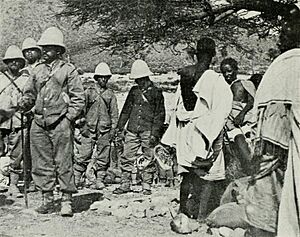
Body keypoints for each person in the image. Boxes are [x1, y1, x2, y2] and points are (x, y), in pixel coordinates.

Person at [207, 18, 300, 237]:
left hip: (269, 141)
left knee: (269, 198)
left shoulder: (279, 68)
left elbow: (257, 108)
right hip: (277, 139)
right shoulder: (290, 66)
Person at [162, 37, 233, 221]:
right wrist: (212, 133)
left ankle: (183, 211)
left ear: (196, 53)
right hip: (204, 130)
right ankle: (202, 215)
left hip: (186, 128)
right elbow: (221, 108)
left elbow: (179, 104)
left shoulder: (185, 74)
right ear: (213, 55)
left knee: (186, 173)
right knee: (209, 174)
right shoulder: (215, 79)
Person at [18, 26, 85, 217]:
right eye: (43, 47)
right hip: (38, 123)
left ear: (58, 50)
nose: (44, 51)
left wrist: (68, 118)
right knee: (41, 163)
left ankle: (66, 200)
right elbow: (30, 93)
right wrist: (25, 102)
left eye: (49, 48)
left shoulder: (68, 70)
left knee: (64, 161)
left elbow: (78, 98)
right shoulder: (37, 70)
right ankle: (47, 199)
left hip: (60, 123)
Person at [113, 59, 165, 195]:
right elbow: (126, 110)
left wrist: (155, 134)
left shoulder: (156, 92)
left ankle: (146, 185)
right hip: (132, 129)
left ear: (146, 77)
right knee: (126, 156)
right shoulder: (134, 91)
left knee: (148, 157)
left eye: (140, 79)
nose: (138, 82)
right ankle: (125, 183)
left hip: (148, 130)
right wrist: (119, 127)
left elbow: (160, 115)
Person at [74, 62, 118, 190]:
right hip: (89, 128)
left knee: (103, 156)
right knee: (84, 154)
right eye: (101, 77)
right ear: (96, 78)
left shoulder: (110, 94)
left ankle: (99, 179)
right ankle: (76, 179)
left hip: (105, 129)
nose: (103, 80)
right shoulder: (88, 92)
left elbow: (114, 114)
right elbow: (81, 111)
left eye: (106, 77)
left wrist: (113, 130)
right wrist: (83, 127)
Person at [0, 45, 29, 197]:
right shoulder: (0, 79)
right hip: (1, 121)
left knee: (17, 155)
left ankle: (13, 184)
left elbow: (32, 100)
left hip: (18, 122)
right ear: (6, 62)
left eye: (17, 61)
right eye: (11, 61)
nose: (14, 64)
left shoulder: (26, 80)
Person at [220, 58, 256, 176]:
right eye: (223, 72)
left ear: (235, 70)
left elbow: (252, 101)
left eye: (229, 71)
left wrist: (241, 114)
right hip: (229, 124)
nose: (227, 75)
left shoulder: (243, 84)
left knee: (241, 142)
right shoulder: (223, 87)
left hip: (243, 122)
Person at [21, 37, 42, 192]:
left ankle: (40, 180)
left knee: (40, 148)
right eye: (27, 51)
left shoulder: (43, 69)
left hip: (40, 113)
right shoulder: (23, 72)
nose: (30, 53)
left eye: (32, 50)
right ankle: (28, 178)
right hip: (24, 115)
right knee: (26, 147)